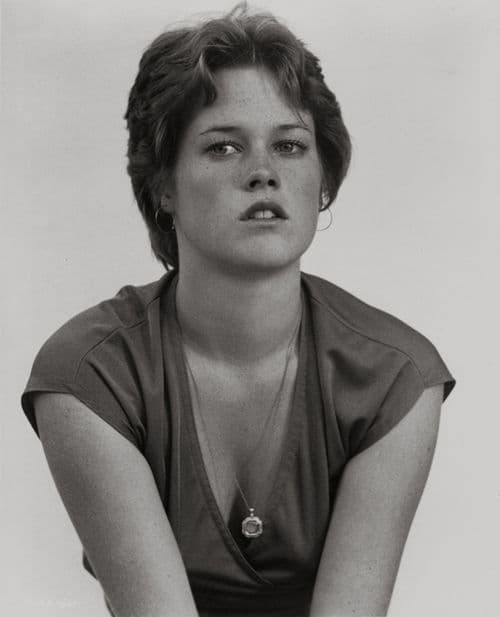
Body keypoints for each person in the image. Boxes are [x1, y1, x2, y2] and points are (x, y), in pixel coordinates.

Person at [21, 3, 455, 616]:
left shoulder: (394, 378)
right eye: (223, 147)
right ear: (163, 186)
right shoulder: (91, 375)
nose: (263, 173)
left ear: (323, 180)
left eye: (290, 146)